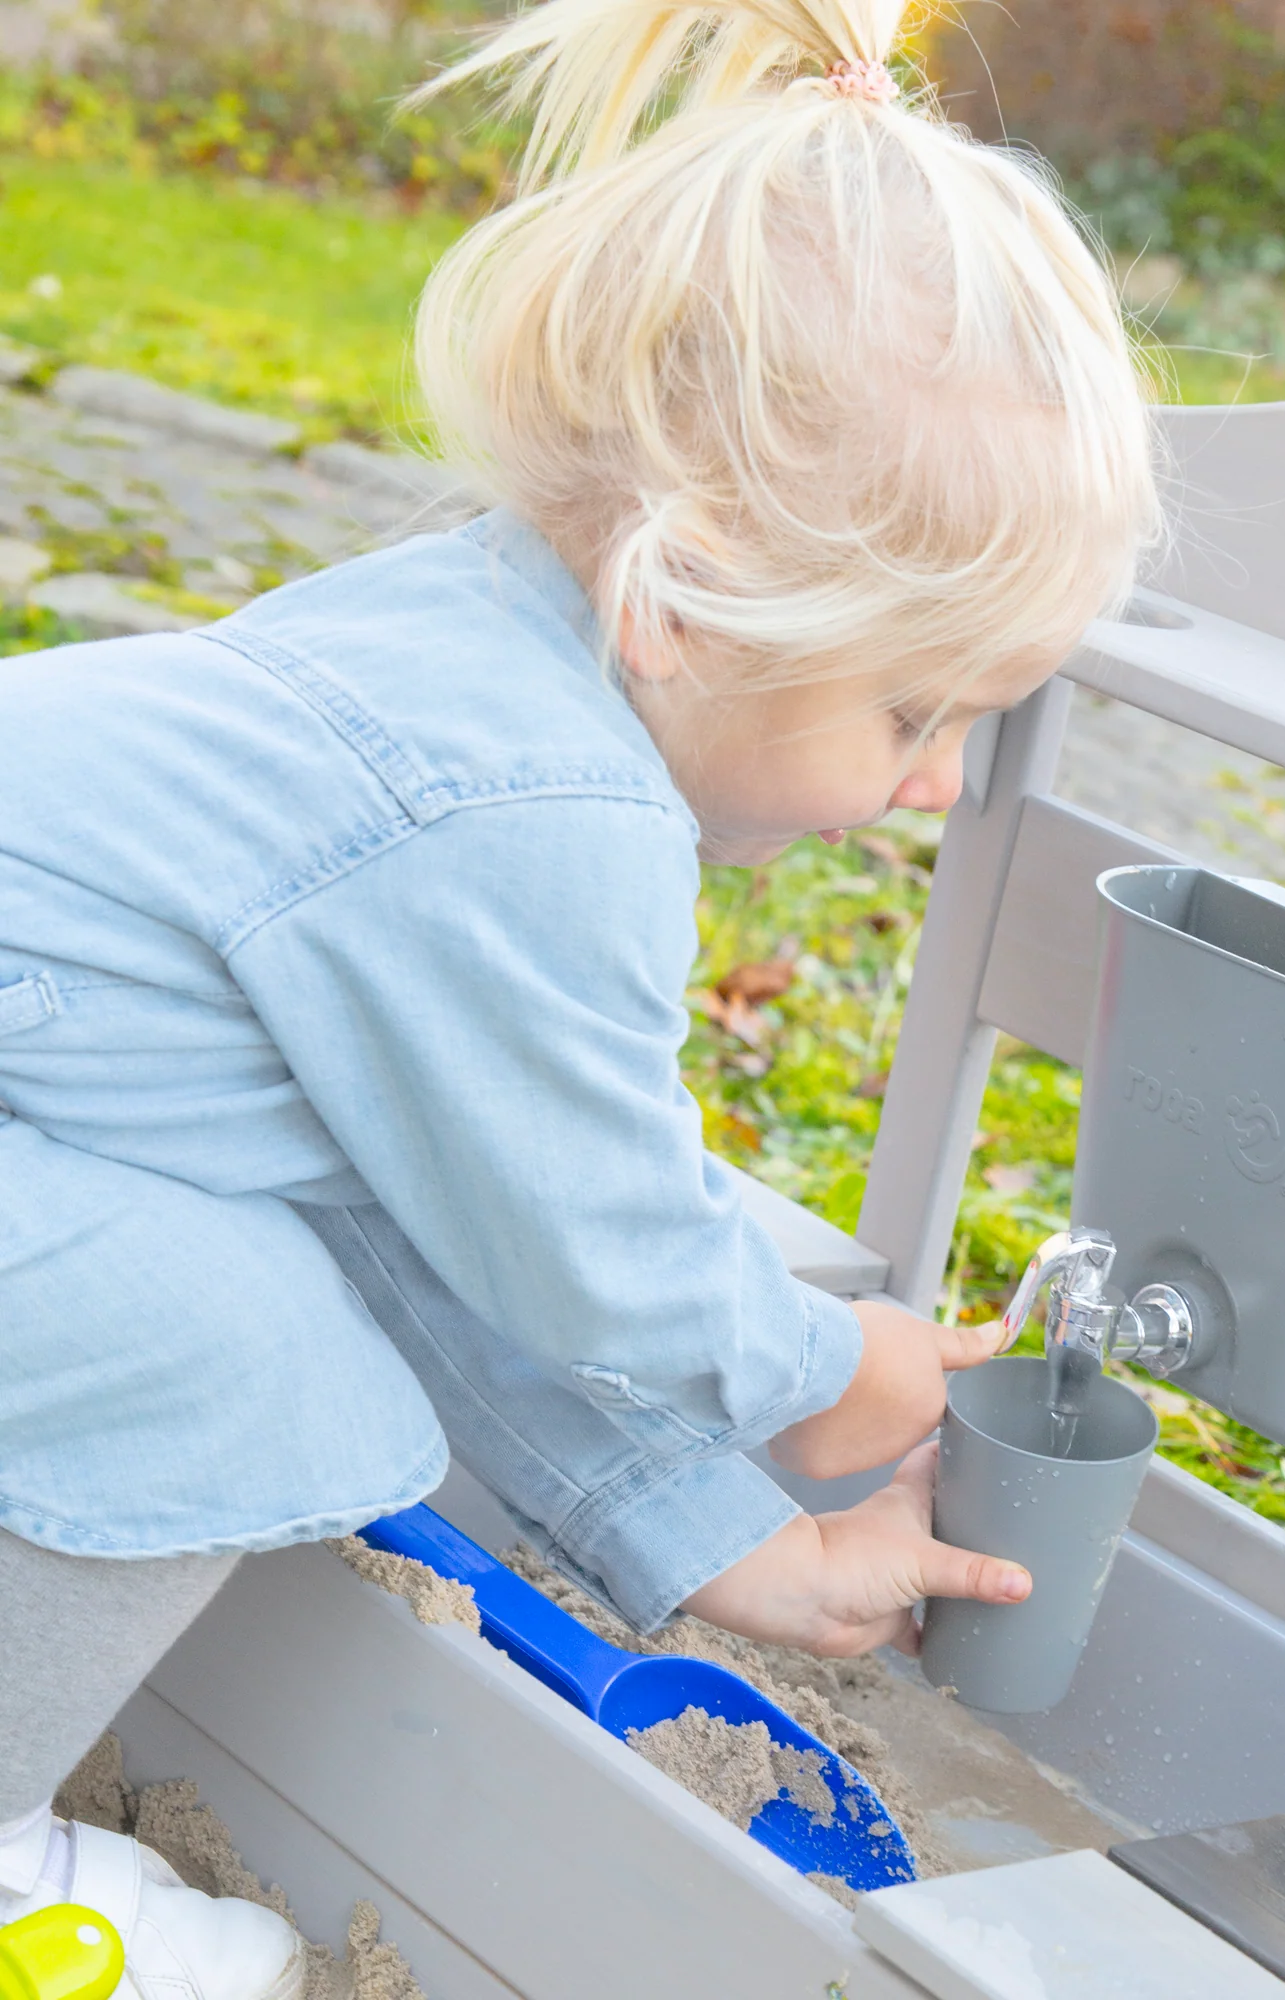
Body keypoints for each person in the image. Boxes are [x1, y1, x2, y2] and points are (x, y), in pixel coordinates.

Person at [0, 0, 1160, 1987]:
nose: (938, 781)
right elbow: (597, 1254)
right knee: (244, 1344)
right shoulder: (534, 810)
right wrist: (824, 1371)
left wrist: (731, 1540)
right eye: (913, 704)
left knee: (281, 1289)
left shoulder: (459, 650)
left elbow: (438, 1235)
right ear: (693, 596)